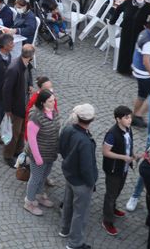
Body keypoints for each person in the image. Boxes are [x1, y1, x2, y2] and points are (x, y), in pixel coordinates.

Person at [59, 103, 98, 249]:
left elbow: (61, 148)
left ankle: (64, 229)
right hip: (81, 182)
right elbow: (86, 167)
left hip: (69, 174)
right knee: (80, 213)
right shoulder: (85, 141)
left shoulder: (68, 129)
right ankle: (74, 243)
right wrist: (91, 182)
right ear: (91, 119)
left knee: (68, 203)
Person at [23, 89, 60, 215]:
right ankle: (29, 202)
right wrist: (38, 157)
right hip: (38, 154)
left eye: (53, 100)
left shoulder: (53, 112)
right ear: (43, 103)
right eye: (50, 101)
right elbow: (32, 139)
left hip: (50, 153)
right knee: (36, 177)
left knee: (44, 175)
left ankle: (39, 194)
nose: (53, 102)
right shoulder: (35, 116)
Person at [101, 106, 135, 236]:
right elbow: (105, 152)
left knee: (118, 190)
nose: (130, 120)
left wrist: (133, 155)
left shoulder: (128, 129)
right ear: (118, 119)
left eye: (130, 117)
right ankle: (107, 220)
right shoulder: (112, 134)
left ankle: (112, 209)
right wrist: (123, 157)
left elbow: (128, 145)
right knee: (110, 194)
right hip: (114, 169)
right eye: (126, 118)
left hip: (123, 168)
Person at [3, 44, 35, 166]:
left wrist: (30, 85)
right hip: (16, 106)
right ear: (31, 56)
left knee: (22, 131)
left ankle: (17, 150)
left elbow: (29, 74)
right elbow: (6, 90)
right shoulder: (14, 68)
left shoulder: (25, 64)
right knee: (14, 133)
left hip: (24, 104)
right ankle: (8, 155)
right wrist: (7, 109)